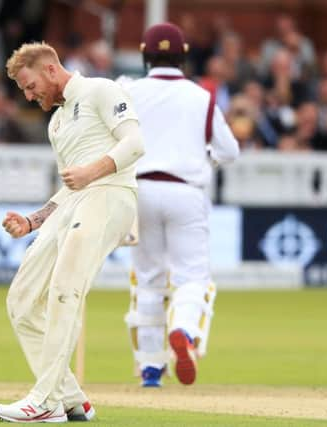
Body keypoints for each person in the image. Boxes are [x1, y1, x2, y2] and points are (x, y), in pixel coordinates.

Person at [0, 41, 144, 423]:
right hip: (77, 203)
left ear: (49, 69)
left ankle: (45, 402)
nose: (29, 96)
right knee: (22, 301)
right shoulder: (57, 122)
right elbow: (69, 187)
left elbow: (135, 143)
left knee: (65, 289)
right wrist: (33, 221)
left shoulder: (101, 90)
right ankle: (72, 399)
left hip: (111, 195)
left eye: (30, 86)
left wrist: (92, 172)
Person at [122, 22, 239, 387]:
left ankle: (150, 368)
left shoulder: (128, 89)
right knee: (193, 278)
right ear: (183, 56)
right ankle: (185, 332)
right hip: (185, 190)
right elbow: (229, 151)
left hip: (138, 189)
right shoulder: (202, 95)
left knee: (148, 280)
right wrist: (201, 157)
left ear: (145, 54)